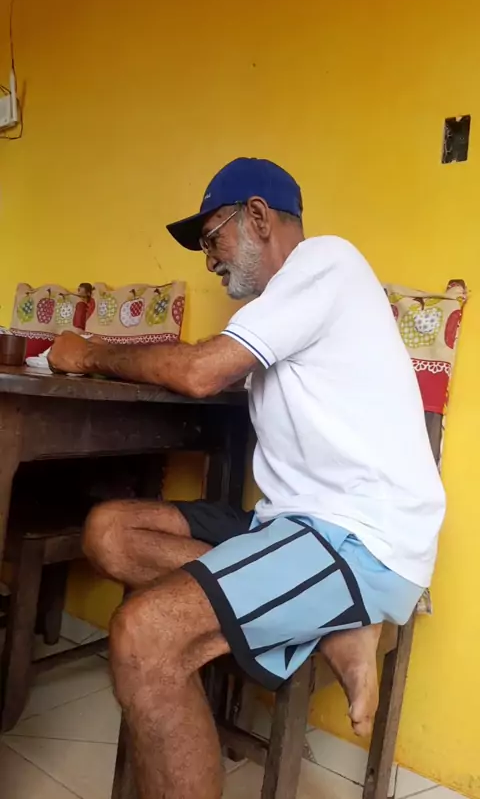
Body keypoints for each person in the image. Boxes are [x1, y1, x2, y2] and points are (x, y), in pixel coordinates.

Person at [49, 158, 445, 799]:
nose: (209, 260)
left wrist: (88, 352)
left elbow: (199, 371)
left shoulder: (327, 262)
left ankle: (339, 609)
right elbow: (210, 364)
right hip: (288, 527)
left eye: (212, 238)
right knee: (111, 530)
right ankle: (331, 624)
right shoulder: (283, 311)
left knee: (144, 636)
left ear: (259, 216)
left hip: (360, 540)